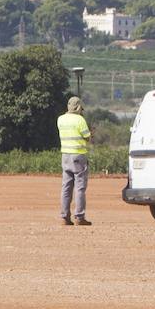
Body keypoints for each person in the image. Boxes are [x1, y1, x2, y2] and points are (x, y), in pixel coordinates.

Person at [58, 96, 92, 226]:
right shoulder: (80, 120)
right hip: (78, 156)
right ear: (78, 108)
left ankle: (64, 217)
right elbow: (87, 137)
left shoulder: (60, 119)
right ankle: (79, 217)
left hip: (65, 155)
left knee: (66, 187)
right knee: (80, 188)